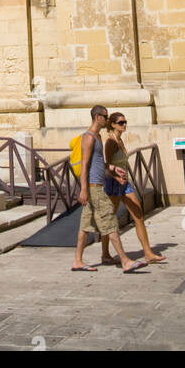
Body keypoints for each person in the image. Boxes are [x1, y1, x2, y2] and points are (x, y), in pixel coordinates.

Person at [72, 104, 142, 273]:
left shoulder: (97, 137)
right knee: (110, 220)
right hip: (93, 188)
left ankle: (78, 261)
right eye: (105, 116)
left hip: (95, 186)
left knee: (85, 225)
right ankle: (125, 261)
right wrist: (83, 190)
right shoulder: (88, 137)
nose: (107, 118)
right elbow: (85, 164)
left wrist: (112, 169)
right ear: (97, 117)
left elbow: (98, 163)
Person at [103, 111, 166, 265]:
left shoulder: (120, 141)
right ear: (112, 125)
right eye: (120, 123)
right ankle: (105, 254)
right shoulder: (110, 143)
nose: (124, 125)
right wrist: (116, 176)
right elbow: (106, 166)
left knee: (138, 214)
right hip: (114, 183)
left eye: (125, 122)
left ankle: (148, 252)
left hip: (124, 183)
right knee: (109, 219)